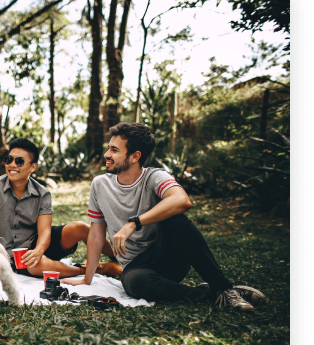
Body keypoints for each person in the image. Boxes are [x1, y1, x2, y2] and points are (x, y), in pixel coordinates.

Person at [63, 123, 265, 310]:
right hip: (136, 267)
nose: (107, 154)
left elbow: (182, 200)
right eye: (109, 148)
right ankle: (211, 294)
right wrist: (87, 279)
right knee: (135, 283)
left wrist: (134, 223)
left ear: (135, 156)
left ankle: (224, 288)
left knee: (175, 220)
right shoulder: (100, 184)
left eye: (114, 150)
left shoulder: (155, 176)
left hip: (168, 256)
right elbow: (97, 234)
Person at [0, 137, 121, 278]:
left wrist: (38, 251)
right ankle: (95, 269)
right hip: (15, 255)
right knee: (35, 265)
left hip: (41, 243)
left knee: (80, 227)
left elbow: (45, 231)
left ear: (32, 167)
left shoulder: (42, 193)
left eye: (19, 161)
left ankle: (121, 259)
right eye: (9, 159)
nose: (12, 165)